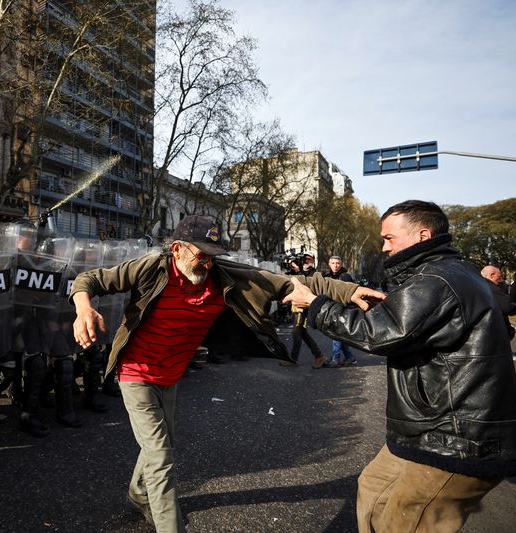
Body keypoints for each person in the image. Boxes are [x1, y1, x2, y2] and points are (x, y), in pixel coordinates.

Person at [70, 215, 384, 533]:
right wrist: (84, 309)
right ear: (177, 249)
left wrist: (350, 290)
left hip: (171, 373)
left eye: (213, 256)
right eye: (201, 255)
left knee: (163, 443)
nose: (207, 264)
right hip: (136, 371)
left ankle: (139, 493)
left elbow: (290, 282)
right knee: (160, 454)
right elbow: (90, 279)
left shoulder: (221, 276)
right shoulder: (151, 268)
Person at [286, 200, 516, 533]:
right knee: (372, 488)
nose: (383, 247)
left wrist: (315, 304)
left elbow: (378, 334)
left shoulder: (436, 279)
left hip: (455, 439)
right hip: (426, 429)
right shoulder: (456, 271)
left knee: (407, 521)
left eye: (390, 239)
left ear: (422, 235)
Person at [281, 252, 327, 369]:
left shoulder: (314, 273)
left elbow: (305, 285)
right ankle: (318, 356)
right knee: (303, 334)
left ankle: (294, 359)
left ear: (313, 260)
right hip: (296, 307)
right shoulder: (299, 271)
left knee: (296, 333)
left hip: (305, 308)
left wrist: (298, 271)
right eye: (304, 259)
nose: (306, 261)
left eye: (309, 259)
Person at [323, 255, 358, 367]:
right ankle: (350, 357)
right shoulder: (327, 277)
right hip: (332, 308)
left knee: (336, 333)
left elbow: (348, 295)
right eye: (333, 263)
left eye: (337, 263)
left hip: (344, 309)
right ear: (329, 264)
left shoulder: (345, 276)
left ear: (341, 264)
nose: (335, 265)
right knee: (338, 334)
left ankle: (335, 358)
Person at [481, 265, 516, 340]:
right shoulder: (490, 287)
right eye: (499, 277)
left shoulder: (478, 285)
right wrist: (515, 306)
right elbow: (507, 307)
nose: (500, 280)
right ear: (492, 275)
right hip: (495, 332)